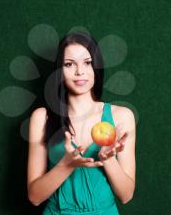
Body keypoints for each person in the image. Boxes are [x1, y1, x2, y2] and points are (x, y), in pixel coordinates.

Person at [27, 31, 136, 214]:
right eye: (69, 64)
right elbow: (35, 197)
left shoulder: (122, 116)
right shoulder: (42, 118)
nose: (80, 71)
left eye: (87, 62)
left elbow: (126, 195)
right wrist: (66, 164)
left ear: (97, 67)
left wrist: (108, 160)